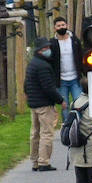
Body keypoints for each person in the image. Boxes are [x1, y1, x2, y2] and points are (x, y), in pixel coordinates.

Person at [25, 42, 63, 172]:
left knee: (35, 133)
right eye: (46, 48)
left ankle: (35, 160)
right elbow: (48, 87)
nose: (48, 50)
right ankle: (44, 161)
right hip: (44, 104)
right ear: (40, 50)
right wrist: (60, 100)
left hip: (34, 103)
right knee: (46, 132)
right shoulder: (44, 66)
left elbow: (26, 84)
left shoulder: (32, 63)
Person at [48, 16, 83, 110]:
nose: (61, 27)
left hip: (75, 78)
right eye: (58, 26)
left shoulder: (74, 40)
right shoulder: (52, 43)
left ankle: (79, 123)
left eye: (63, 25)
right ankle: (66, 124)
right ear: (55, 28)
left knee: (79, 103)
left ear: (67, 25)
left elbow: (80, 56)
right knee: (65, 106)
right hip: (61, 80)